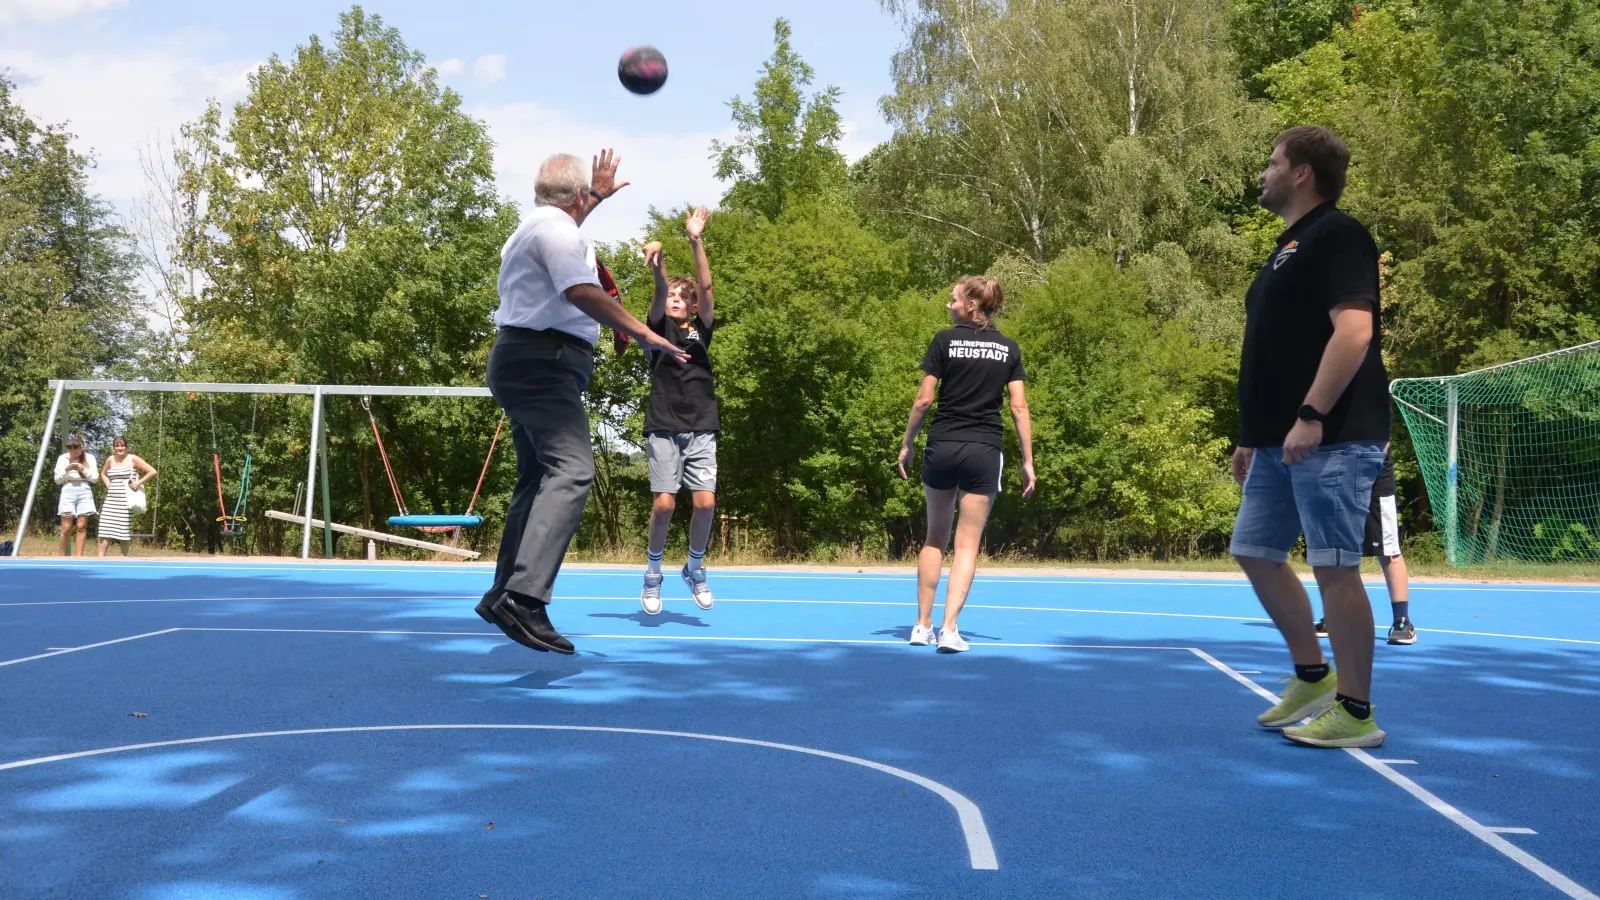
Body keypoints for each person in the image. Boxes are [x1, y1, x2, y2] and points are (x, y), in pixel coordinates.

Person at [474, 149, 689, 654]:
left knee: (537, 476)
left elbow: (566, 224)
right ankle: (524, 598)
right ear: (574, 196)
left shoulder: (535, 227)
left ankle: (503, 591)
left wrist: (595, 196)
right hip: (543, 362)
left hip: (526, 360)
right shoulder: (558, 233)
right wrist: (645, 333)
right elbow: (581, 291)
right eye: (584, 198)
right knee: (572, 470)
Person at [1230, 125, 1391, 749]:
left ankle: (1355, 711)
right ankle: (1312, 675)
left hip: (1332, 435)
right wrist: (1253, 434)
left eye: (1273, 162)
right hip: (1278, 440)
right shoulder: (1287, 247)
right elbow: (1274, 348)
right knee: (1255, 550)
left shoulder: (1338, 233)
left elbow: (1354, 332)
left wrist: (1312, 413)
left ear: (1302, 173)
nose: (1264, 172)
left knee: (1335, 569)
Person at [896, 276, 1036, 653]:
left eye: (953, 299)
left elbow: (924, 401)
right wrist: (1027, 461)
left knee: (934, 539)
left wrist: (907, 443)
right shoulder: (1009, 349)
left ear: (971, 306)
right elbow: (1019, 407)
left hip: (942, 446)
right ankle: (949, 630)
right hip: (984, 450)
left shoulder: (944, 341)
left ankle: (922, 626)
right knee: (967, 546)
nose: (949, 305)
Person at [639, 206, 719, 615]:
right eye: (672, 295)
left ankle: (694, 568)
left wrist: (695, 239)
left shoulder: (702, 330)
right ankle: (653, 575)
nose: (676, 299)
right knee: (665, 504)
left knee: (704, 504)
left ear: (691, 306)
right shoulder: (657, 329)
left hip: (702, 425)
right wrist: (658, 263)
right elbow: (657, 291)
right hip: (664, 425)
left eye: (682, 297)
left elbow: (705, 287)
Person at [1316, 445, 1414, 644]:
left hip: (1374, 475)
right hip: (1338, 475)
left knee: (1388, 551)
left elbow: (1383, 439)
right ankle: (1337, 615)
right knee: (1337, 550)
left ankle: (1402, 621)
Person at [98, 436, 156, 557]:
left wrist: (138, 483)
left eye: (122, 445)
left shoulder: (132, 459)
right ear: (114, 448)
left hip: (126, 500)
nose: (120, 448)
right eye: (117, 446)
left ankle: (123, 557)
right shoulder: (110, 459)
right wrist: (108, 483)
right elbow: (103, 473)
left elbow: (152, 471)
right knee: (104, 528)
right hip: (111, 499)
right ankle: (100, 557)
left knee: (123, 530)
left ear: (126, 447)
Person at [54, 436, 98, 556]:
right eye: (71, 450)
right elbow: (57, 480)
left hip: (84, 489)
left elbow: (94, 479)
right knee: (66, 526)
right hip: (68, 489)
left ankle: (79, 557)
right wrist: (66, 470)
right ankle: (62, 558)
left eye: (76, 450)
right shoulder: (62, 458)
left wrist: (83, 469)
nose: (73, 453)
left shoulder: (90, 458)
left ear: (81, 448)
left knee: (81, 526)